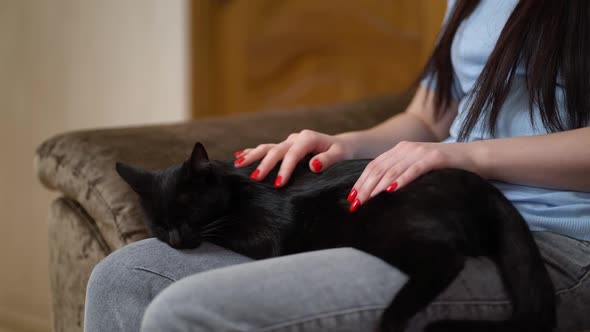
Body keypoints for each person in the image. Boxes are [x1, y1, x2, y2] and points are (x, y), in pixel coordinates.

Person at [85, 1, 590, 331]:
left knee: (184, 312)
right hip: (441, 207)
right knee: (124, 276)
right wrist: (342, 145)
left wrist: (469, 156)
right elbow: (429, 119)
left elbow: (450, 145)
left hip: (552, 242)